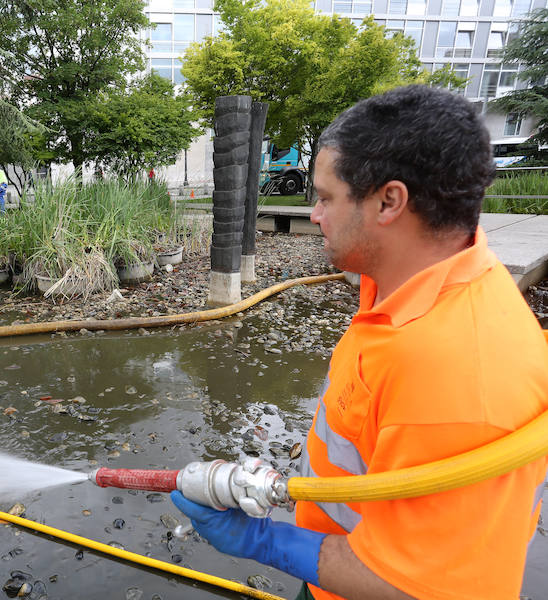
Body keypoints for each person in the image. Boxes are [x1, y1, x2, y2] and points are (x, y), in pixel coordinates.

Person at [171, 85, 548, 600]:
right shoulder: (407, 289)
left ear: (389, 201)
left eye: (325, 197)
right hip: (333, 575)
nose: (317, 215)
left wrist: (264, 542)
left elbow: (417, 587)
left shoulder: (460, 376)